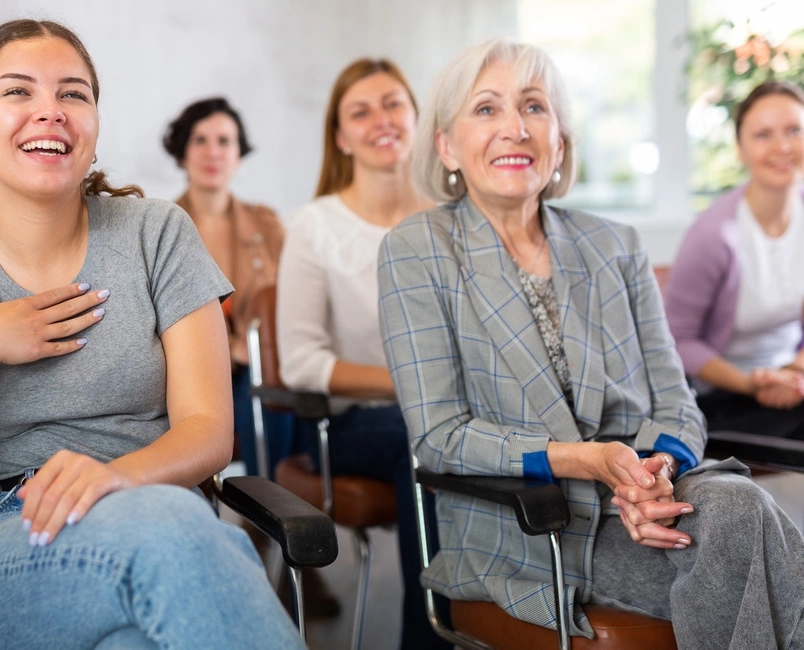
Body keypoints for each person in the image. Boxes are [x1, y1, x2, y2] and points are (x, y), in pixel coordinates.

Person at [0, 19, 303, 650]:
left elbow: (209, 431)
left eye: (73, 94)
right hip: (5, 545)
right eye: (19, 92)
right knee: (175, 534)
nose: (50, 112)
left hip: (157, 509)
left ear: (94, 124)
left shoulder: (157, 234)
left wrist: (119, 479)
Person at [377, 39, 804, 647]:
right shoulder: (416, 251)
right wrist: (588, 460)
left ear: (561, 141)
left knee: (738, 508)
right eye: (487, 109)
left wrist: (652, 473)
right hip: (533, 527)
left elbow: (677, 402)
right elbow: (440, 436)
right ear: (446, 144)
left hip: (651, 500)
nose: (515, 128)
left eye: (534, 107)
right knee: (759, 541)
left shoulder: (616, 245)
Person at [277, 58, 447, 649]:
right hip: (351, 424)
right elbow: (300, 363)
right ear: (341, 136)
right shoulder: (314, 226)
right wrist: (410, 386)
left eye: (393, 103)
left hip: (455, 413)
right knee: (425, 440)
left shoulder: (453, 222)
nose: (382, 119)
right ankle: (429, 640)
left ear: (417, 119)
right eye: (361, 110)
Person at [162, 97, 294, 478]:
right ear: (182, 153)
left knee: (266, 395)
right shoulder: (158, 227)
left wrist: (250, 349)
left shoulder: (266, 224)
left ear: (239, 154)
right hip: (187, 368)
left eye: (224, 141)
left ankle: (267, 521)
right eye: (200, 140)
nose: (213, 152)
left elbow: (290, 308)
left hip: (258, 369)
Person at [665, 80, 804, 439]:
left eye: (794, 130)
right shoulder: (713, 234)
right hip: (723, 395)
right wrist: (753, 383)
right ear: (740, 148)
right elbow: (678, 340)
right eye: (763, 135)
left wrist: (796, 370)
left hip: (794, 379)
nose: (783, 146)